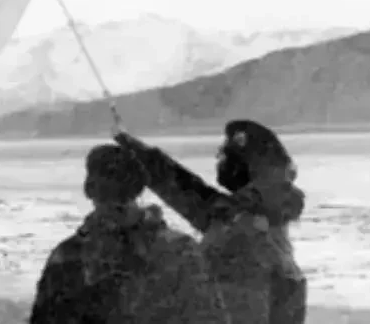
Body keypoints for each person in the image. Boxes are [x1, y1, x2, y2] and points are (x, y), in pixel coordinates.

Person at [114, 120, 307, 323]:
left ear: (246, 163)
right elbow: (184, 189)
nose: (219, 160)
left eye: (225, 155)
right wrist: (135, 149)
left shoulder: (239, 230)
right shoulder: (247, 213)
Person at [29, 144, 228, 323]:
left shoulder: (68, 255)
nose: (115, 205)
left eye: (117, 192)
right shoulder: (180, 249)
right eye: (108, 191)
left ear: (89, 190)